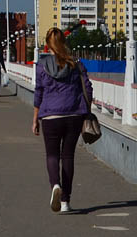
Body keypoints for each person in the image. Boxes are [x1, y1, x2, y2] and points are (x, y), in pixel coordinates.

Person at [33, 27, 93, 214]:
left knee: (52, 155)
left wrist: (35, 119)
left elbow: (39, 93)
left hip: (50, 116)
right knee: (68, 157)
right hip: (74, 116)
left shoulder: (41, 66)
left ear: (48, 44)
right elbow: (88, 88)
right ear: (63, 43)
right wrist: (85, 108)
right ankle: (66, 201)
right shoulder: (76, 64)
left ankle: (55, 185)